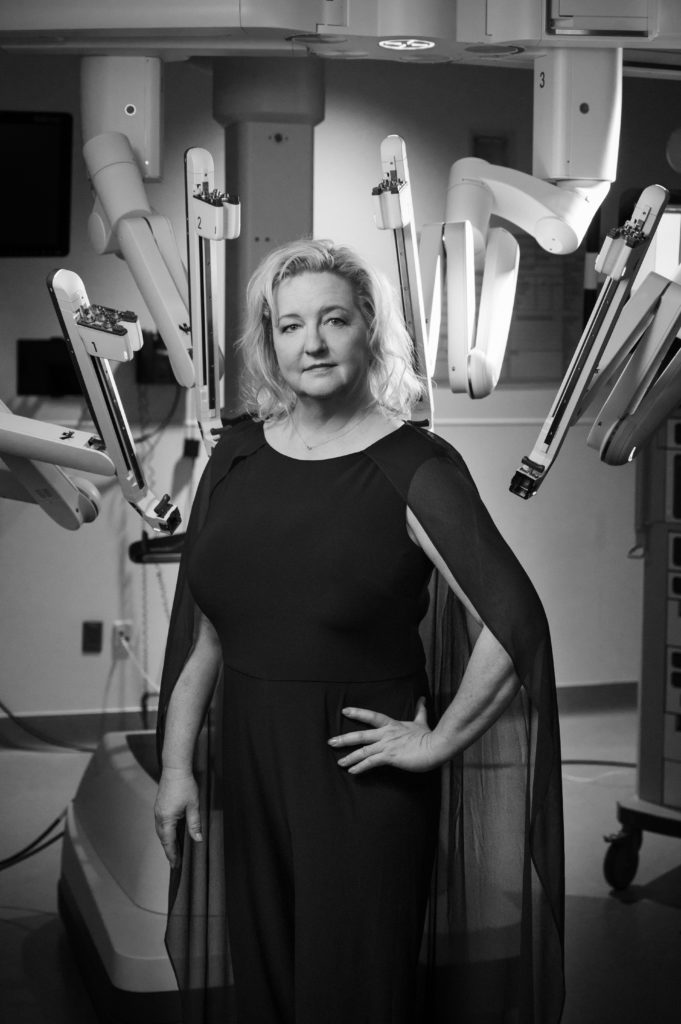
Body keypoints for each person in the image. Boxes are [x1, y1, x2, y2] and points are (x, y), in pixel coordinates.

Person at [154, 239, 565, 1024]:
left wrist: (437, 741)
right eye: (289, 325)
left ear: (369, 329)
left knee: (351, 994)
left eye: (333, 320)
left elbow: (514, 620)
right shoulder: (235, 455)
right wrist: (176, 767)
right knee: (267, 983)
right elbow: (207, 633)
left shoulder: (413, 467)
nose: (311, 343)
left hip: (359, 773)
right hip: (252, 763)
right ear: (269, 340)